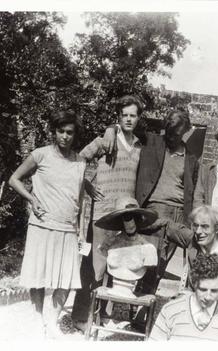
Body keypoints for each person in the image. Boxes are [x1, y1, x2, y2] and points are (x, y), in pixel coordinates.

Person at [8, 110, 86, 332]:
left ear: (75, 134)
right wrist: (32, 198)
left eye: (69, 132)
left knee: (66, 279)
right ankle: (37, 319)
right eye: (60, 131)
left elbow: (80, 198)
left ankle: (52, 322)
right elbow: (13, 179)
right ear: (54, 132)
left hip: (67, 228)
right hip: (42, 225)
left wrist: (79, 229)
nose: (65, 136)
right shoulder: (40, 155)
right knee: (38, 275)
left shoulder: (80, 162)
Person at [71, 95, 145, 331]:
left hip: (125, 215)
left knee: (116, 267)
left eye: (133, 115)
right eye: (124, 115)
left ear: (139, 118)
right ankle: (81, 317)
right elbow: (76, 160)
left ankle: (103, 314)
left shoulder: (140, 147)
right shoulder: (106, 140)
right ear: (118, 117)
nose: (129, 119)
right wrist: (87, 185)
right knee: (95, 266)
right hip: (102, 213)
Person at [134, 109, 200, 296]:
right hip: (153, 209)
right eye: (169, 133)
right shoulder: (153, 142)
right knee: (147, 261)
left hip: (178, 212)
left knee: (160, 266)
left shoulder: (191, 157)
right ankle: (137, 303)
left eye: (177, 134)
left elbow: (191, 188)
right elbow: (132, 127)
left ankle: (143, 312)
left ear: (186, 131)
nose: (171, 138)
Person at [149, 253, 218, 341]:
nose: (208, 297)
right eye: (203, 290)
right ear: (194, 284)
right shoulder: (170, 311)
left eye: (214, 291)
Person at [165, 205, 218, 310]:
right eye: (195, 225)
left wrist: (194, 300)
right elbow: (173, 229)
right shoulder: (196, 241)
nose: (198, 231)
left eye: (205, 226)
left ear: (217, 229)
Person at [95, 197, 158, 298]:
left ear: (138, 219)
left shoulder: (148, 248)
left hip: (130, 289)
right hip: (114, 287)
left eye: (132, 217)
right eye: (125, 217)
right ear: (119, 220)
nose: (129, 222)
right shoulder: (109, 243)